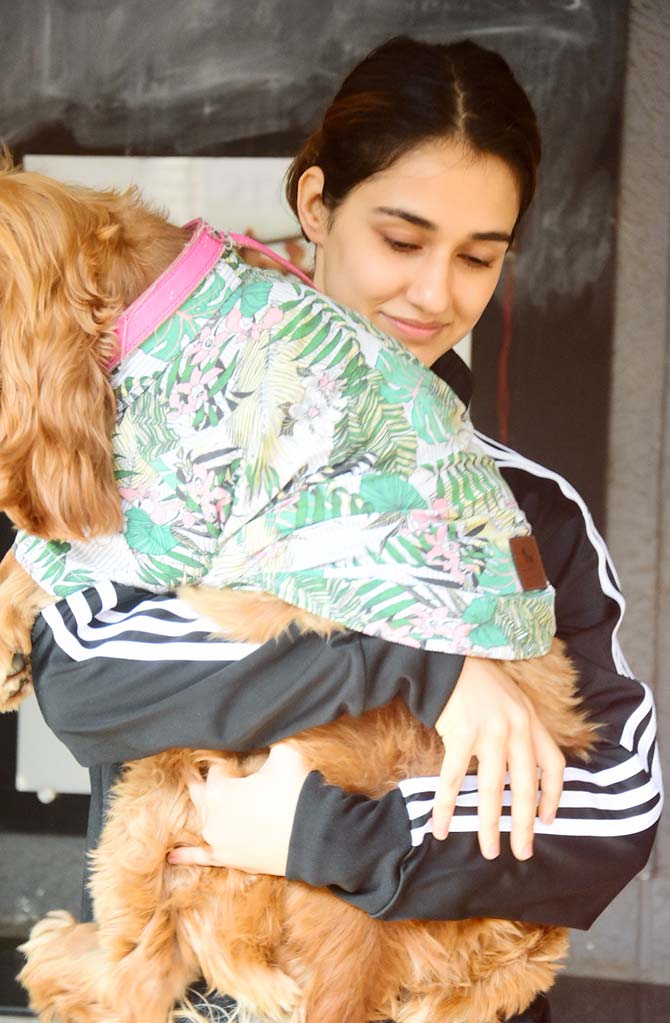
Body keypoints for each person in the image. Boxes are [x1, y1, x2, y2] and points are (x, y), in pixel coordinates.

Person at [29, 37, 660, 1023]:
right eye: (401, 241)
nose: (434, 293)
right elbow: (93, 677)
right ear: (316, 204)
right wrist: (425, 666)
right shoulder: (158, 462)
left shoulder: (525, 509)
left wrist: (310, 831)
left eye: (478, 257)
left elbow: (612, 810)